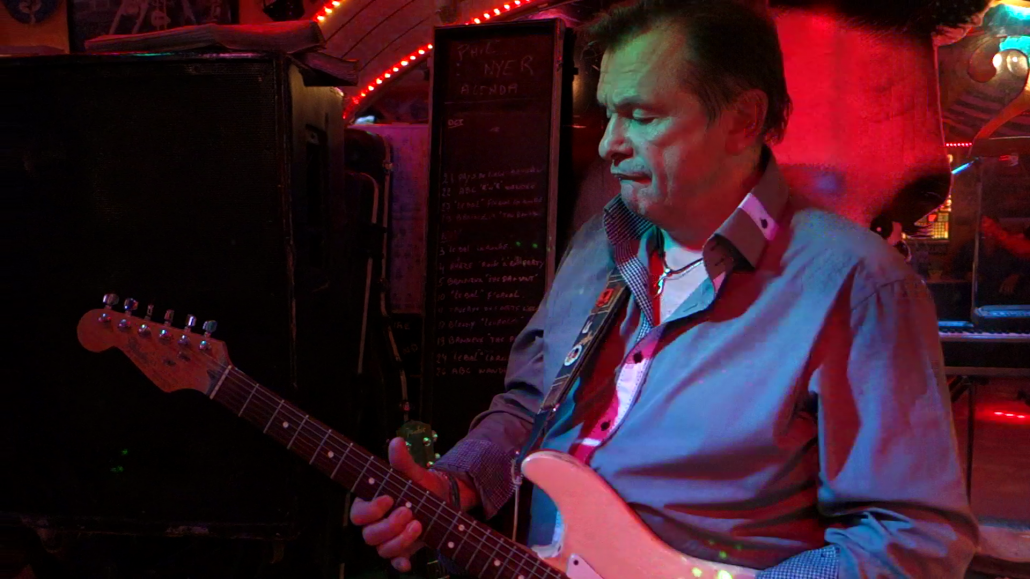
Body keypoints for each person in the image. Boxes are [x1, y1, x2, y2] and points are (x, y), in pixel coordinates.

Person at [351, 1, 979, 577]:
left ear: (743, 120)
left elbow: (913, 539)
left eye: (641, 116)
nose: (609, 144)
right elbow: (530, 407)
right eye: (609, 113)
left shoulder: (857, 282)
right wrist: (452, 484)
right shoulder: (598, 245)